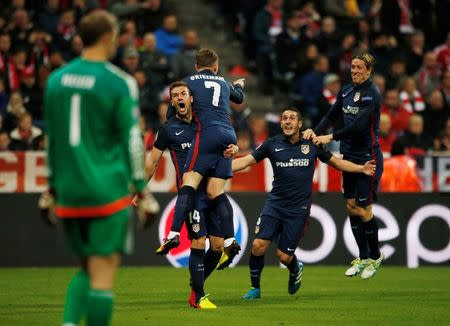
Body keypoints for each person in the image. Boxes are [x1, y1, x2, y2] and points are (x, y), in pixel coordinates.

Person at [40, 10, 157, 326]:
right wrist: (142, 190)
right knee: (103, 272)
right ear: (108, 37)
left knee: (85, 268)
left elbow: (51, 141)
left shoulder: (55, 80)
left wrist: (51, 187)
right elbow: (133, 140)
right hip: (106, 189)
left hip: (68, 189)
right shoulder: (119, 82)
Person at [233, 108, 376, 299]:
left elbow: (337, 163)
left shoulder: (312, 144)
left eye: (292, 118)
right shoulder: (271, 144)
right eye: (284, 118)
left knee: (283, 256)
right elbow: (245, 162)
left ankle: (295, 268)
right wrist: (217, 167)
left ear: (300, 124)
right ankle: (255, 288)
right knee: (258, 245)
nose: (287, 121)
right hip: (274, 204)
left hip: (298, 209)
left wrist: (361, 168)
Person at [141, 81, 237, 309]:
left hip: (211, 190)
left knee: (216, 247)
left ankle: (196, 285)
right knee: (198, 241)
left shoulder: (206, 125)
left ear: (192, 98)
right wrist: (140, 189)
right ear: (172, 102)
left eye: (183, 93)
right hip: (191, 195)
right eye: (175, 95)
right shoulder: (168, 129)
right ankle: (199, 296)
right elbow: (153, 161)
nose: (180, 98)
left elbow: (226, 147)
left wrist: (233, 149)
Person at [156, 49, 245, 270]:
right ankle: (230, 239)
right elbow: (239, 99)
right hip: (229, 135)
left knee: (189, 182)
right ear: (216, 67)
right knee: (217, 191)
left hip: (207, 135)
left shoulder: (188, 82)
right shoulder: (224, 82)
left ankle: (174, 233)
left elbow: (175, 106)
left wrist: (171, 121)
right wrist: (240, 85)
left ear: (196, 67)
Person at [303, 53, 384, 279]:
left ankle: (375, 256)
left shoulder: (372, 94)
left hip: (368, 156)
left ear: (369, 71)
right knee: (350, 206)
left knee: (363, 208)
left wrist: (330, 137)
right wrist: (314, 131)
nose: (355, 70)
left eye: (359, 67)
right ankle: (363, 257)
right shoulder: (346, 91)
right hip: (349, 154)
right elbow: (331, 115)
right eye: (353, 66)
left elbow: (359, 126)